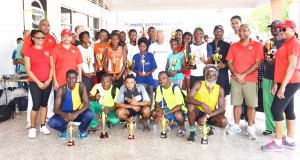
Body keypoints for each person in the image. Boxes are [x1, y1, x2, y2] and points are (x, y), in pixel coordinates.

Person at [261, 20, 300, 152]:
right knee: (289, 110)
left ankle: (278, 142)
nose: (281, 32)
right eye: (280, 29)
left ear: (293, 29)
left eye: (284, 29)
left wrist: (282, 86)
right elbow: (281, 65)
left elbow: (292, 66)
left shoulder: (294, 43)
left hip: (290, 82)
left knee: (276, 109)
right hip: (284, 81)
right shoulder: (285, 43)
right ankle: (290, 140)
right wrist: (277, 83)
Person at [225, 24, 264, 140]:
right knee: (236, 103)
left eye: (244, 30)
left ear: (249, 31)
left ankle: (250, 127)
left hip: (250, 80)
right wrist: (238, 75)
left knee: (251, 105)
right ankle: (236, 125)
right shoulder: (234, 46)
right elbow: (229, 62)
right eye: (240, 31)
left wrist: (243, 75)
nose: (242, 33)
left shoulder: (257, 45)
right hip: (236, 79)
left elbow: (258, 63)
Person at [186, 65, 228, 143]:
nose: (210, 77)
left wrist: (207, 116)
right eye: (208, 74)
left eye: (213, 75)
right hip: (198, 111)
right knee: (191, 106)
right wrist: (202, 104)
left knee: (223, 121)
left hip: (210, 113)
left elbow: (222, 108)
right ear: (205, 75)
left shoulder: (220, 89)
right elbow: (188, 98)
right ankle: (192, 132)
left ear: (216, 77)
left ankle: (208, 126)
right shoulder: (198, 84)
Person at [24, 30, 54, 139]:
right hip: (34, 82)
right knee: (36, 105)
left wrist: (49, 79)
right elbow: (28, 70)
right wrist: (38, 82)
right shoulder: (29, 51)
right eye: (38, 37)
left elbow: (52, 66)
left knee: (44, 104)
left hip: (47, 81)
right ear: (33, 38)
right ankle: (32, 127)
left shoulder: (48, 50)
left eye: (42, 37)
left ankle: (42, 125)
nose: (40, 39)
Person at [48, 69, 93, 140]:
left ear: (77, 78)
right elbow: (55, 109)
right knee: (51, 123)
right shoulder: (61, 89)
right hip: (65, 114)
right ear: (66, 79)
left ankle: (82, 130)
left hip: (77, 113)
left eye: (73, 78)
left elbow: (87, 104)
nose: (71, 80)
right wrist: (64, 114)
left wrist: (76, 113)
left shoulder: (81, 86)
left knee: (90, 114)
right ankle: (64, 130)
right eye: (69, 78)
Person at [262, 20, 285, 135]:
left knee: (281, 103)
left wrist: (273, 60)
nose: (273, 29)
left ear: (281, 28)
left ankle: (282, 129)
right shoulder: (268, 43)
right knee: (267, 102)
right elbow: (267, 60)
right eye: (271, 27)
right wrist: (269, 59)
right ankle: (270, 127)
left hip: (282, 77)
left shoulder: (285, 42)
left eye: (276, 27)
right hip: (268, 75)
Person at [151, 71, 187, 136]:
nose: (161, 81)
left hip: (181, 110)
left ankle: (182, 127)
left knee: (178, 115)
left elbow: (179, 106)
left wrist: (164, 114)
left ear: (168, 79)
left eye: (163, 78)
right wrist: (158, 110)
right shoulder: (159, 88)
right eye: (159, 79)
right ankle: (172, 122)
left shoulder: (175, 88)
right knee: (154, 113)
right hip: (170, 109)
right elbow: (157, 103)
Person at [209, 25, 230, 96]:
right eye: (216, 31)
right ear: (213, 32)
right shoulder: (209, 45)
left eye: (220, 31)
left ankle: (223, 107)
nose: (218, 33)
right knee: (211, 93)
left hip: (223, 73)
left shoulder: (227, 45)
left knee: (223, 94)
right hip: (211, 73)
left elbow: (230, 59)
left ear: (223, 33)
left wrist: (224, 64)